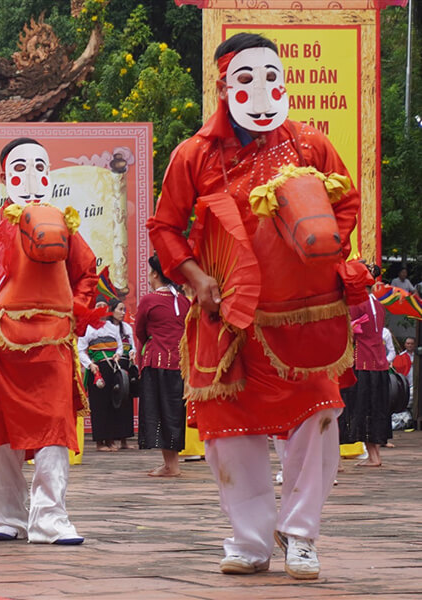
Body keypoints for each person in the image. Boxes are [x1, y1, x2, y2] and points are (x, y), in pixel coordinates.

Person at [147, 33, 359, 579]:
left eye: (271, 76)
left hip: (304, 315)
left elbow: (347, 201)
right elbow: (165, 227)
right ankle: (250, 540)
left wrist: (325, 247)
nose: (261, 89)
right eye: (246, 78)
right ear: (224, 84)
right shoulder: (193, 154)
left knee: (317, 418)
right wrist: (195, 277)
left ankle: (301, 534)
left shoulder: (311, 145)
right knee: (230, 432)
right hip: (229, 319)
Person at [0, 138, 98, 544]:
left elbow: (86, 274)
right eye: (20, 169)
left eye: (39, 169)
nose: (30, 178)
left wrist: (73, 314)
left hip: (51, 347)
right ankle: (7, 516)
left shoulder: (64, 225)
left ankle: (51, 518)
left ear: (49, 175)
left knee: (54, 432)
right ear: (3, 177)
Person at [133, 256, 189, 476]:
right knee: (174, 411)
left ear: (155, 274)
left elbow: (140, 331)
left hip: (157, 362)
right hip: (179, 364)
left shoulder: (150, 300)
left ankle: (170, 466)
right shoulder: (183, 301)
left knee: (160, 411)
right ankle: (171, 464)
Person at [339, 267, 391, 466]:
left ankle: (371, 456)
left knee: (363, 407)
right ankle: (375, 456)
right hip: (379, 362)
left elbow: (348, 331)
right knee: (377, 407)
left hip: (363, 361)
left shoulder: (357, 304)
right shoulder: (378, 305)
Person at [77, 299, 134, 452]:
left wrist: (117, 354)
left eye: (103, 307)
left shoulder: (112, 327)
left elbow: (120, 346)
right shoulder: (87, 327)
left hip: (112, 367)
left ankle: (110, 440)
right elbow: (81, 350)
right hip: (97, 368)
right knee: (99, 405)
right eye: (98, 307)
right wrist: (90, 364)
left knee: (111, 403)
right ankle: (99, 442)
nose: (101, 309)